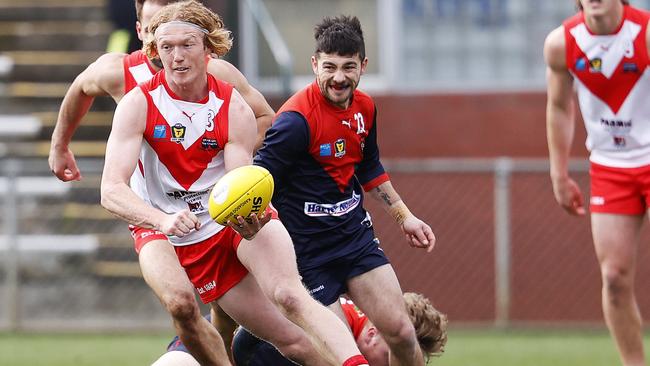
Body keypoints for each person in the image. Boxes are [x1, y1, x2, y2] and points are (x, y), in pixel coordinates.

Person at [100, 1, 370, 366]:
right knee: (186, 305)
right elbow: (111, 190)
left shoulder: (233, 106)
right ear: (155, 50)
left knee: (292, 305)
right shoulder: (138, 104)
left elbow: (238, 181)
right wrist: (162, 220)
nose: (176, 57)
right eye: (167, 48)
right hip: (167, 226)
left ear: (208, 48)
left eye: (187, 45)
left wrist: (251, 214)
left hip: (226, 220)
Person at [48, 0, 262, 362]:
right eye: (156, 31)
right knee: (181, 303)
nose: (172, 50)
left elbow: (263, 116)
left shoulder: (217, 73)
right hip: (153, 212)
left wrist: (234, 173)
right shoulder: (120, 72)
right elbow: (81, 88)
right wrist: (59, 145)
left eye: (181, 36)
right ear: (142, 32)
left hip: (212, 210)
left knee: (227, 312)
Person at [254, 15, 436, 366]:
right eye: (330, 67)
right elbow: (260, 182)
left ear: (363, 66)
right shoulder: (295, 121)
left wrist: (405, 217)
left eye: (348, 67)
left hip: (355, 240)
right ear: (315, 64)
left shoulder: (366, 108)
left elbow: (369, 167)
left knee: (401, 332)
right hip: (307, 255)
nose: (339, 78)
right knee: (340, 357)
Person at [544, 1, 649, 365]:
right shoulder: (562, 43)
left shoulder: (645, 34)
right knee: (615, 279)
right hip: (609, 168)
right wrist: (559, 174)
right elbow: (559, 107)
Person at [155, 292, 448, 366]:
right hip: (206, 348)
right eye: (393, 357)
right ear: (374, 333)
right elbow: (245, 343)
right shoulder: (330, 324)